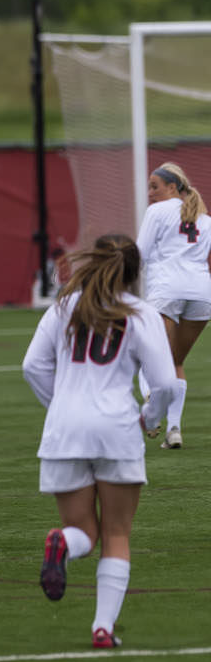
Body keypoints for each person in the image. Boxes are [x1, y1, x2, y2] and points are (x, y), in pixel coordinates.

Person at [22, 233, 175, 649]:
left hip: (64, 431)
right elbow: (164, 383)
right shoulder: (141, 312)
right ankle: (102, 629)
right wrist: (150, 418)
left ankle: (60, 543)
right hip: (116, 430)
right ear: (133, 271)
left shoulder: (63, 306)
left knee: (82, 534)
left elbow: (32, 366)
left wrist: (62, 405)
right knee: (117, 534)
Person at [133, 161, 211, 448]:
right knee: (175, 361)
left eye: (155, 186)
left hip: (167, 290)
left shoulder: (156, 212)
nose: (150, 193)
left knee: (146, 357)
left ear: (173, 187)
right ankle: (174, 429)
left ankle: (151, 413)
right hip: (202, 293)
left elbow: (138, 254)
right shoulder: (204, 218)